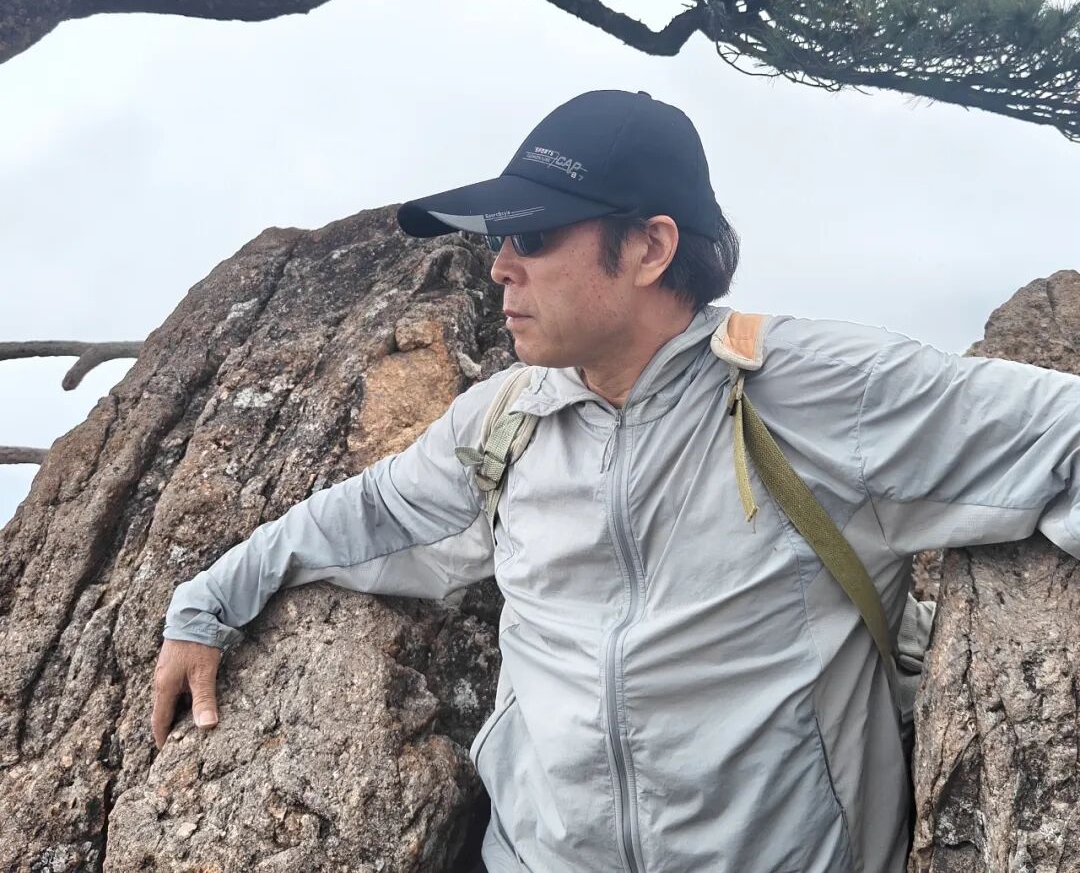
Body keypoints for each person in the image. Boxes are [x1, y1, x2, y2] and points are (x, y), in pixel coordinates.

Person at [153, 89, 1080, 873]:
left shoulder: (819, 391)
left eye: (533, 234)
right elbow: (368, 516)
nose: (499, 266)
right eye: (499, 238)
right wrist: (206, 607)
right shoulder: (505, 420)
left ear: (649, 248)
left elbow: (1061, 435)